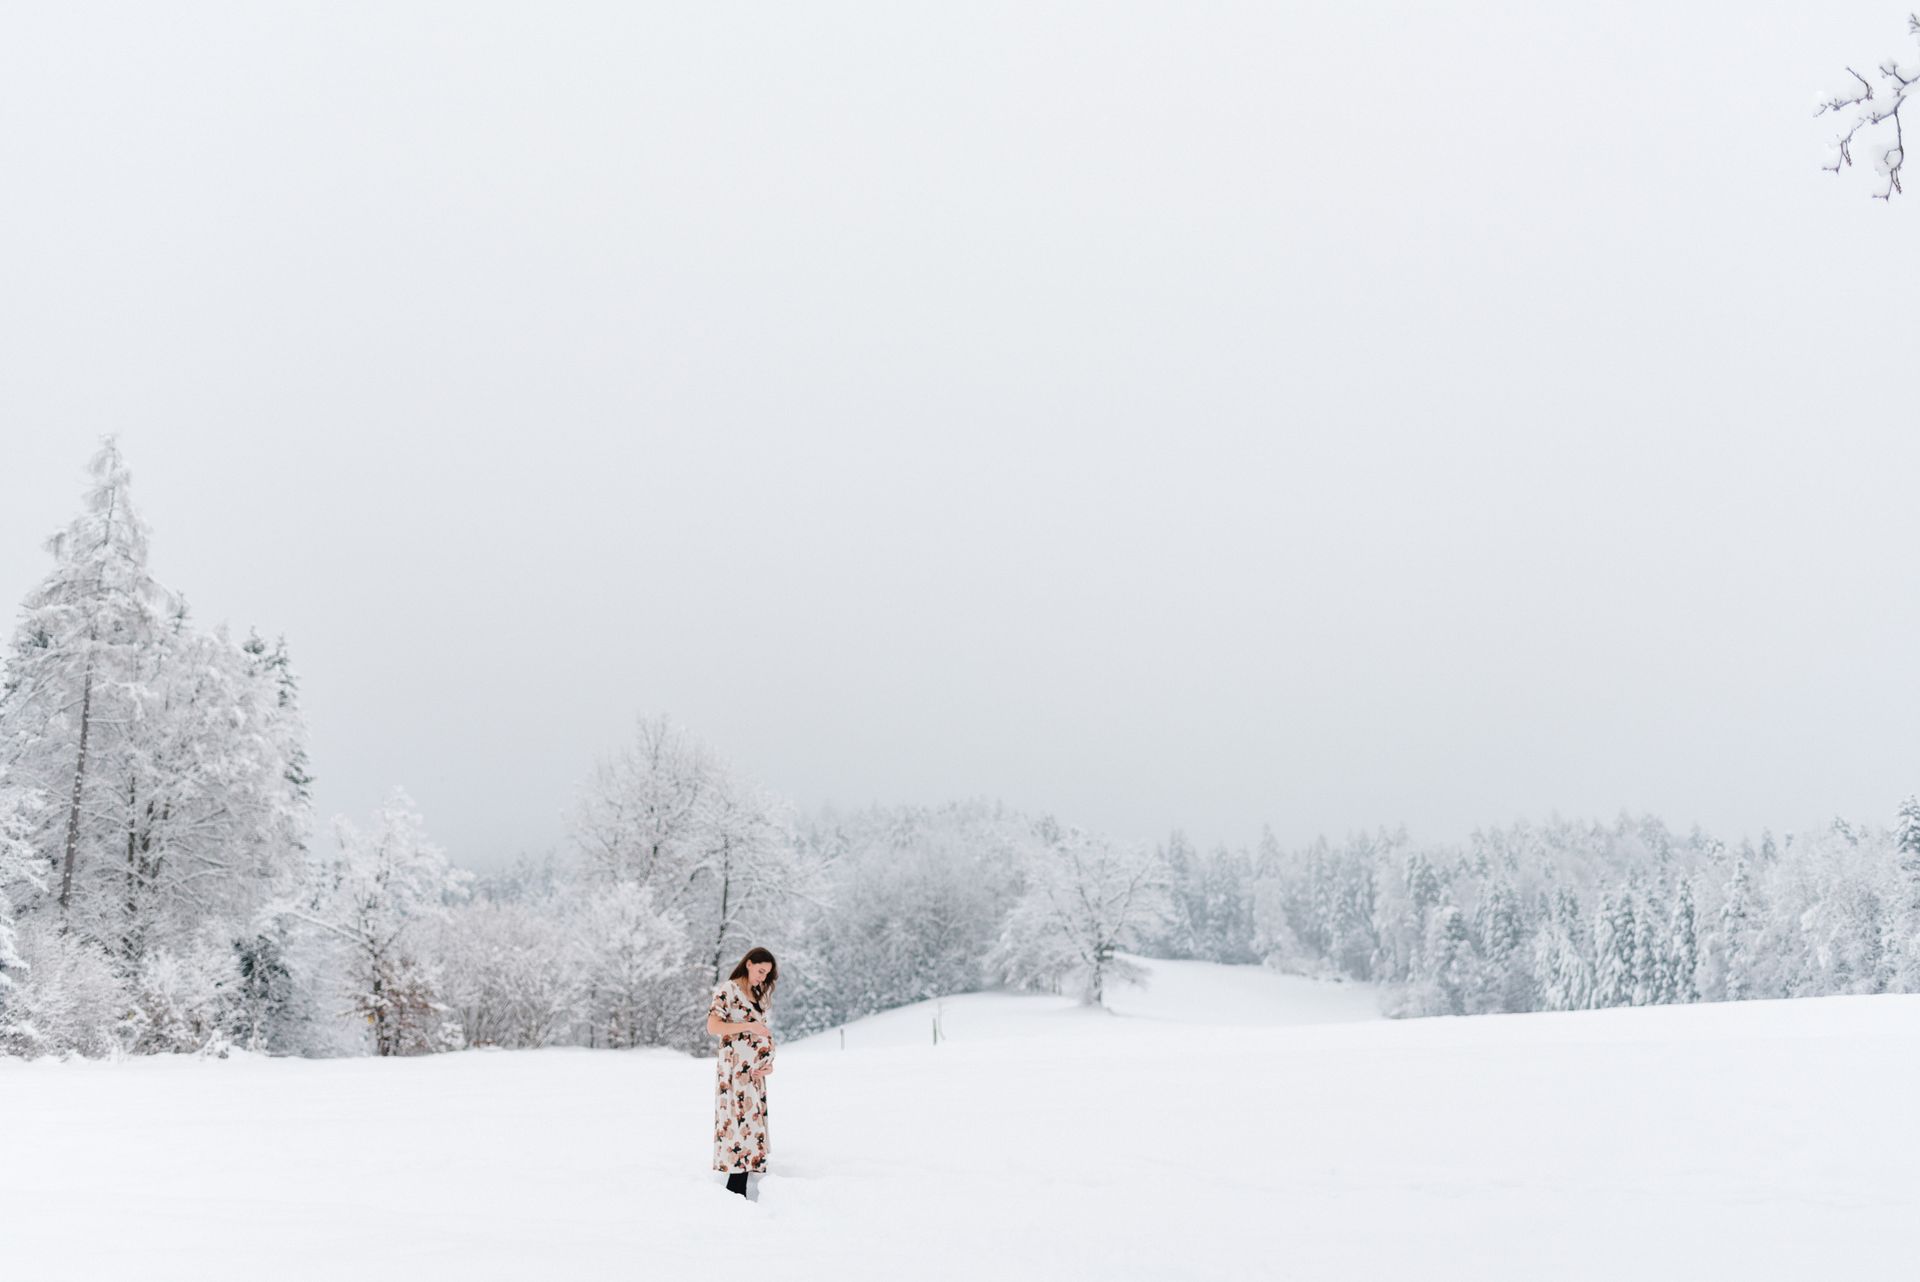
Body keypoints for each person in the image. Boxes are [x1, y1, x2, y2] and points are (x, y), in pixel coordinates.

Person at [706, 947, 777, 1197]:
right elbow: (713, 1025)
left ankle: (741, 1194)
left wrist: (769, 1061)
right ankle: (734, 1194)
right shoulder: (728, 990)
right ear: (748, 964)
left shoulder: (757, 994)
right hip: (734, 1074)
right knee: (737, 1128)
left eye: (766, 974)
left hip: (754, 1076)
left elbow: (764, 1032)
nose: (762, 977)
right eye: (760, 971)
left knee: (751, 1131)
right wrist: (748, 1027)